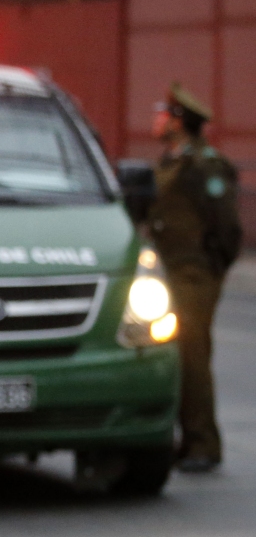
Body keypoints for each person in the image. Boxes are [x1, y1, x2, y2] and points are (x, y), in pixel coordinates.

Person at [147, 82, 242, 474]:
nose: (157, 120)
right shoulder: (169, 161)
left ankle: (203, 443)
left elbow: (226, 227)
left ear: (179, 123)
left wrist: (211, 266)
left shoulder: (205, 165)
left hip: (193, 272)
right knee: (167, 357)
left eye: (163, 114)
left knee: (192, 356)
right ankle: (180, 439)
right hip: (166, 271)